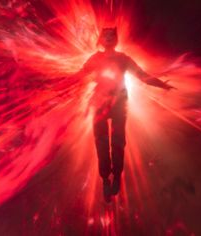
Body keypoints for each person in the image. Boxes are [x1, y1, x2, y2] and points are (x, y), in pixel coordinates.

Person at [75, 27, 174, 202]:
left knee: (118, 142)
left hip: (119, 104)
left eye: (111, 35)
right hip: (100, 104)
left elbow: (142, 76)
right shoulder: (96, 58)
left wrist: (161, 85)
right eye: (105, 35)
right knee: (102, 144)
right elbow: (79, 76)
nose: (108, 38)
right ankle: (106, 180)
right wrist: (57, 86)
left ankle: (116, 176)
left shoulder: (123, 59)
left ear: (115, 39)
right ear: (101, 39)